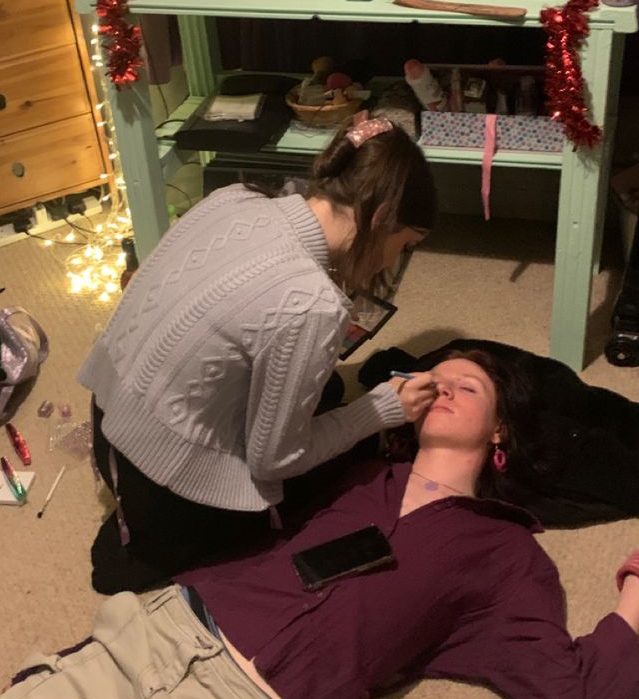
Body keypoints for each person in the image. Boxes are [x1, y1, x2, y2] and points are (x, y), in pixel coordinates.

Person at [0, 351, 639, 699]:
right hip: (149, 635)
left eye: (468, 385)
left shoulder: (507, 552)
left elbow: (579, 693)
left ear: (501, 431)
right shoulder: (348, 472)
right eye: (436, 378)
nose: (442, 386)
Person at [80, 113, 438, 594]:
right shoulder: (313, 305)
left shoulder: (233, 198)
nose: (395, 260)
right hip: (159, 481)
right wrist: (378, 410)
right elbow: (276, 462)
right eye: (404, 245)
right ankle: (162, 536)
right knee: (335, 458)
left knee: (326, 388)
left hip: (111, 419)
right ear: (380, 220)